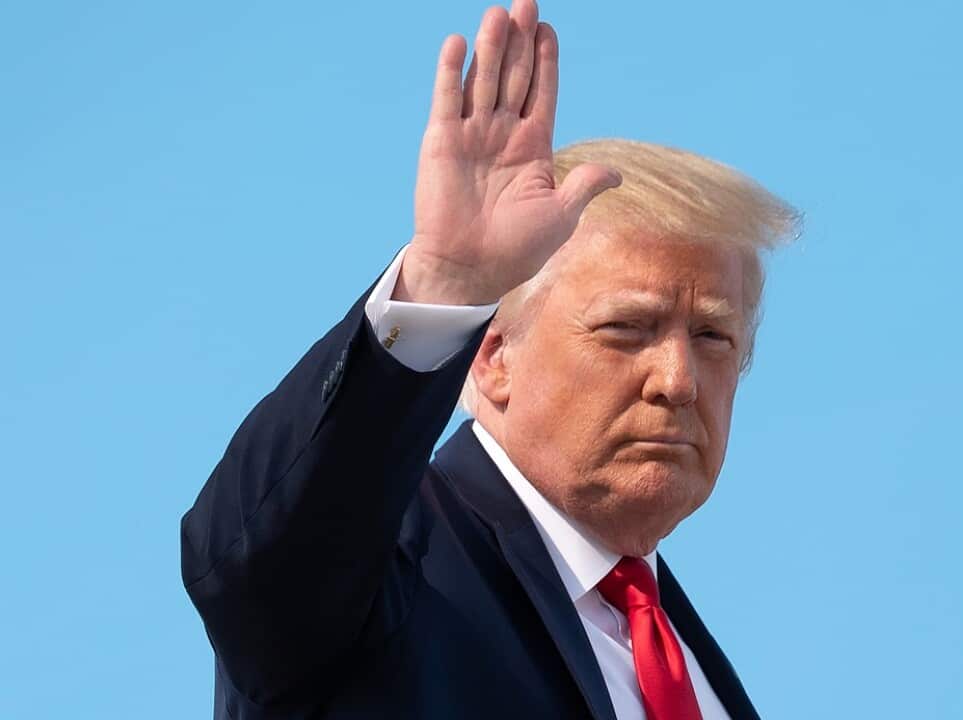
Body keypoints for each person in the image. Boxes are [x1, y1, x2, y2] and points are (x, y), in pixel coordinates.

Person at [179, 1, 799, 718]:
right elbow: (259, 566)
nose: (677, 381)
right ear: (492, 357)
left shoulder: (694, 667)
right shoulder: (390, 566)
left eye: (714, 337)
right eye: (627, 327)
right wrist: (446, 285)